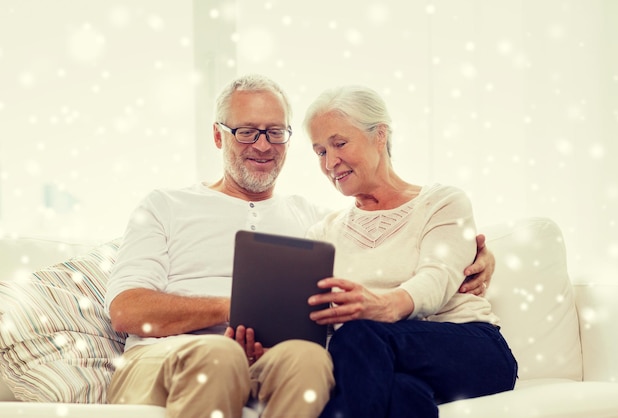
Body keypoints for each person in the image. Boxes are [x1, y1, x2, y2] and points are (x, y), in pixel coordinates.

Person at [104, 74, 495, 418]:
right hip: (166, 357)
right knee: (219, 355)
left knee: (310, 359)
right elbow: (125, 310)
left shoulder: (313, 221)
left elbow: (382, 247)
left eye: (275, 132)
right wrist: (233, 309)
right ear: (217, 135)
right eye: (247, 131)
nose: (262, 144)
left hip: (263, 358)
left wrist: (478, 256)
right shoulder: (166, 205)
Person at [303, 85, 518, 418]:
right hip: (378, 360)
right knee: (402, 394)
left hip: (469, 349)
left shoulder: (442, 203)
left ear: (379, 135)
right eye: (319, 152)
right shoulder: (323, 232)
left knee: (358, 335)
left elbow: (437, 279)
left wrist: (381, 306)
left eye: (339, 143)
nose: (330, 162)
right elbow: (319, 321)